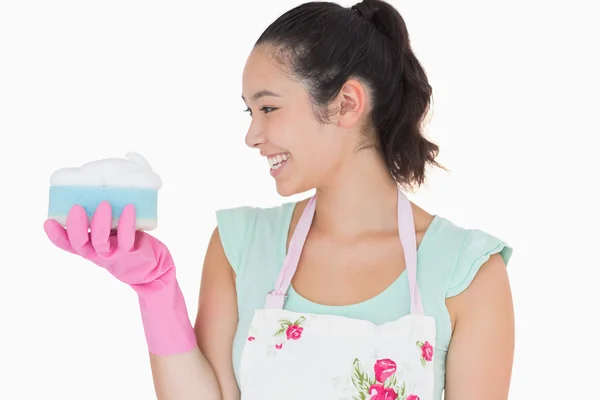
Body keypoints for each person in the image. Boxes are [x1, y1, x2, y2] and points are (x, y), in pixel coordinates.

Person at [43, 0, 515, 399]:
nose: (252, 135)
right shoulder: (240, 245)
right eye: (250, 112)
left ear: (347, 103)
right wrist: (156, 291)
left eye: (268, 108)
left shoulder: (467, 272)